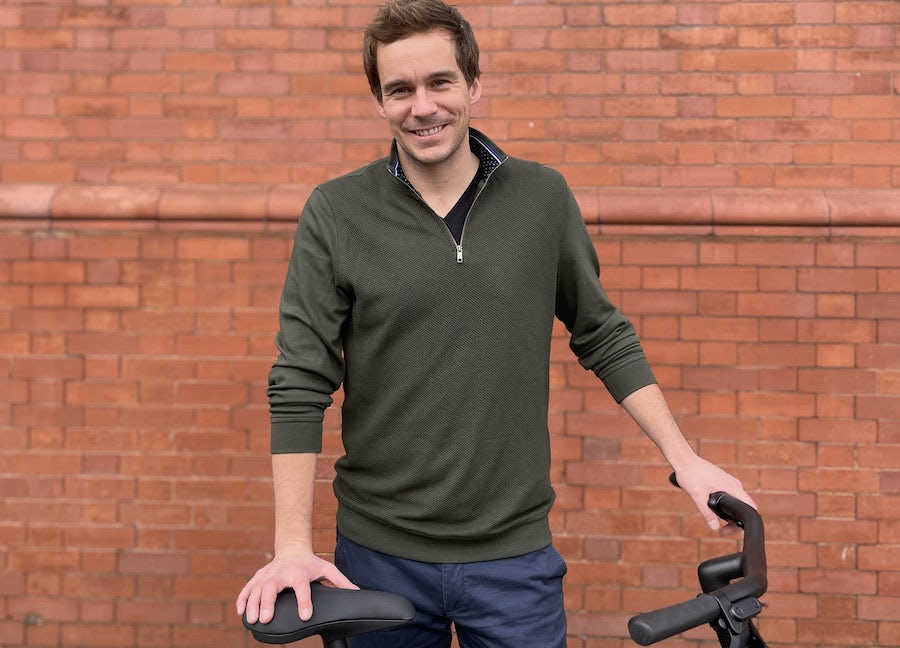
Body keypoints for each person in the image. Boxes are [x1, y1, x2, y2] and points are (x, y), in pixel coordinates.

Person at [236, 1, 757, 646]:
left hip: (514, 560)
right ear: (379, 102)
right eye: (400, 90)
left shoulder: (541, 198)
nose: (422, 107)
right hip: (376, 558)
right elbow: (300, 380)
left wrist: (686, 460)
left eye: (440, 82)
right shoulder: (336, 212)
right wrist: (292, 545)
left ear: (474, 84)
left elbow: (602, 334)